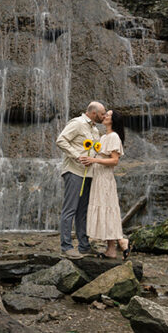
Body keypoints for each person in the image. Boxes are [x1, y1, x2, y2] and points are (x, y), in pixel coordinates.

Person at [55, 101, 106, 257]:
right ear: (93, 113)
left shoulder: (95, 130)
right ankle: (66, 247)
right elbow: (61, 140)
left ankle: (84, 246)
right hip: (74, 171)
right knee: (70, 209)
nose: (104, 116)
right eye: (102, 114)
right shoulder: (77, 123)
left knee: (82, 211)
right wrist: (77, 156)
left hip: (88, 173)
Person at [80, 109, 129, 259]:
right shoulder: (104, 137)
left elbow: (114, 161)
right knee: (106, 210)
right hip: (98, 177)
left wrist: (94, 160)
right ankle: (112, 249)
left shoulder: (113, 136)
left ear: (113, 120)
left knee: (108, 209)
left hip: (105, 179)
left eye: (107, 115)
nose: (104, 116)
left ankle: (121, 241)